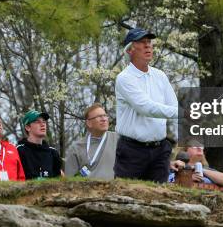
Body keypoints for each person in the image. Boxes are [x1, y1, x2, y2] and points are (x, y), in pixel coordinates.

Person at [114, 28, 178, 183]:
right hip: (132, 151)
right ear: (130, 50)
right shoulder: (124, 78)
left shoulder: (160, 76)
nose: (148, 46)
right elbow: (146, 108)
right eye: (142, 43)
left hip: (160, 150)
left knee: (160, 198)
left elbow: (174, 106)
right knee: (127, 197)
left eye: (149, 42)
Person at [65, 103, 118, 179]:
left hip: (114, 189)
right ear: (89, 123)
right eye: (99, 117)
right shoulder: (76, 148)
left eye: (105, 115)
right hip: (87, 190)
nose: (104, 119)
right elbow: (69, 178)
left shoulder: (118, 140)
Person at [17, 110, 62, 180]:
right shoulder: (19, 151)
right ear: (27, 127)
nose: (42, 124)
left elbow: (59, 180)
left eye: (44, 121)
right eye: (37, 122)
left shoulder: (53, 152)